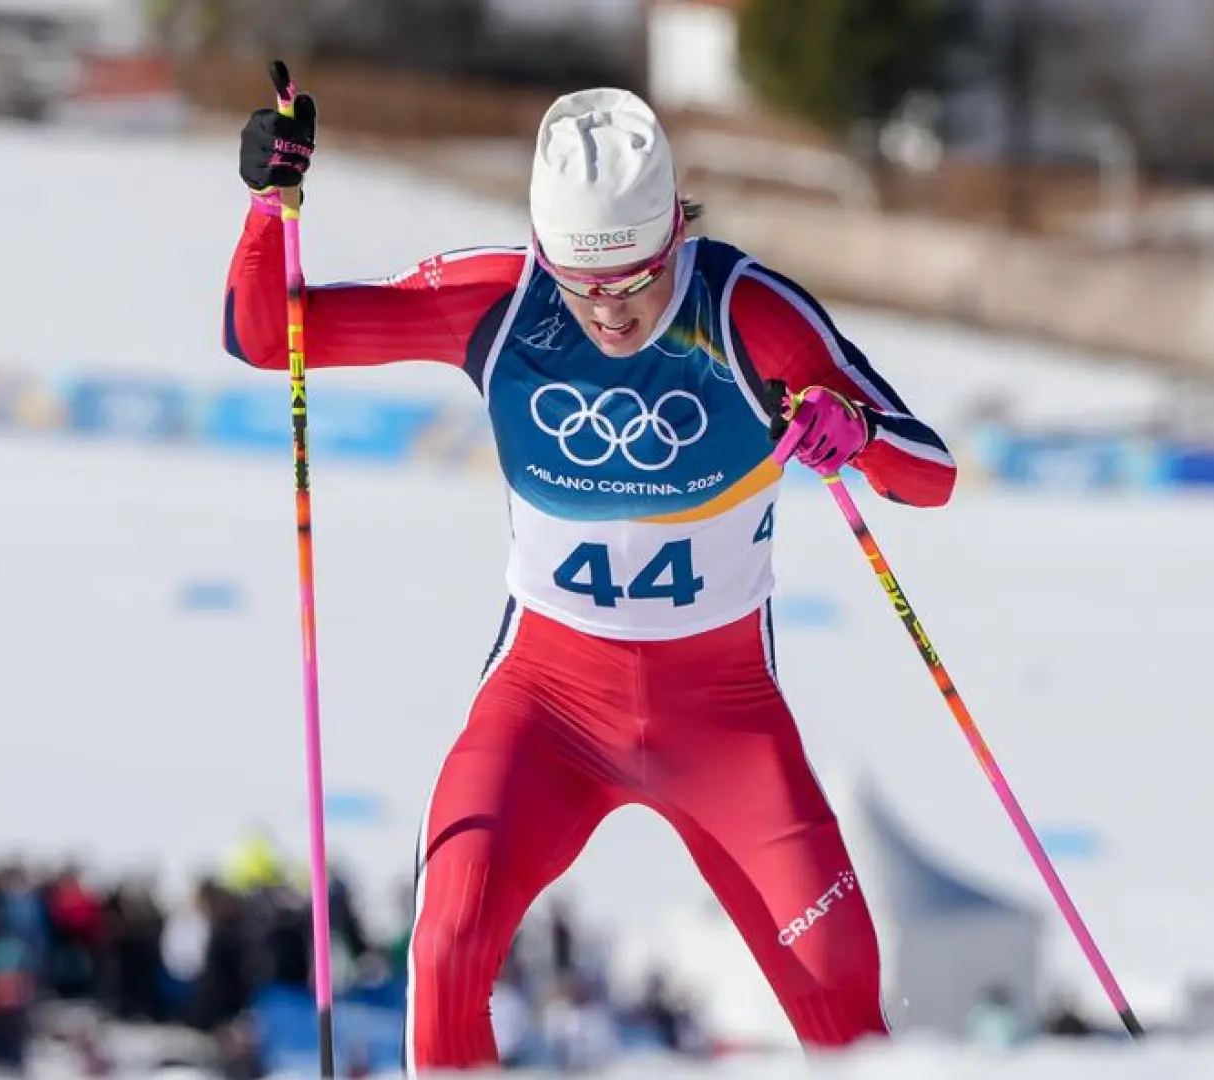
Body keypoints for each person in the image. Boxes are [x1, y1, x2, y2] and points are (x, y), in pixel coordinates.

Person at [223, 78, 957, 1071]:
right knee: (441, 950)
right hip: (546, 712)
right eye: (582, 284)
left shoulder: (748, 315)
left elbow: (933, 474)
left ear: (674, 239)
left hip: (724, 722)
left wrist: (855, 430)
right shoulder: (503, 302)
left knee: (844, 996)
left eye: (632, 284)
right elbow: (270, 337)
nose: (607, 314)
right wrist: (270, 207)